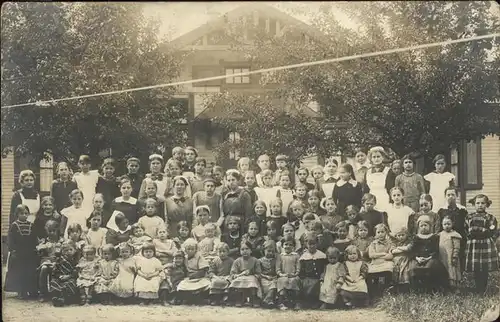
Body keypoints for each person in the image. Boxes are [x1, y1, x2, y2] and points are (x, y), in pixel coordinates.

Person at [464, 194, 498, 294]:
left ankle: (483, 288)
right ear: (474, 204)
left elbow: (491, 230)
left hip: (485, 244)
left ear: (486, 205)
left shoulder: (490, 218)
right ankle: (477, 288)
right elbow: (467, 230)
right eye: (477, 203)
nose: (480, 205)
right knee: (476, 267)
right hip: (474, 244)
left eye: (482, 203)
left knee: (484, 267)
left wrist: (480, 231)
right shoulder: (469, 217)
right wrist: (478, 231)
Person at [4, 204, 38, 299]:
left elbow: (34, 238)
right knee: (19, 272)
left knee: (29, 271)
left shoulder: (31, 225)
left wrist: (35, 247)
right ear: (17, 214)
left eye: (26, 213)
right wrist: (12, 250)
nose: (24, 215)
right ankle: (20, 291)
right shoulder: (14, 226)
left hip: (29, 252)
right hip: (18, 253)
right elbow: (10, 239)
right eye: (22, 213)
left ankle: (29, 290)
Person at [408, 215, 449, 293]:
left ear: (430, 226)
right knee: (412, 268)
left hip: (431, 258)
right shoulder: (416, 237)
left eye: (426, 225)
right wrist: (417, 258)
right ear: (418, 227)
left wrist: (428, 258)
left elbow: (436, 250)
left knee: (431, 267)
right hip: (418, 258)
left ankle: (431, 289)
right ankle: (417, 289)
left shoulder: (434, 237)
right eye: (421, 226)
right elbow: (413, 250)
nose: (423, 227)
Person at [437, 187, 468, 271]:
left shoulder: (462, 209)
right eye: (448, 195)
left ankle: (458, 278)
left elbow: (465, 225)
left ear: (456, 196)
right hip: (446, 238)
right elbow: (440, 226)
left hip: (459, 237)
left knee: (459, 257)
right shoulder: (442, 210)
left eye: (453, 194)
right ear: (445, 196)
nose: (450, 196)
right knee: (446, 258)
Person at [36, 220, 64, 302]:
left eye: (53, 231)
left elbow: (65, 252)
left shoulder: (61, 241)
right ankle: (42, 293)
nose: (51, 233)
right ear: (46, 231)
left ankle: (55, 292)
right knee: (44, 268)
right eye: (49, 231)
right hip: (47, 260)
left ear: (57, 230)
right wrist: (42, 248)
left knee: (56, 269)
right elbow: (40, 253)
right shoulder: (45, 241)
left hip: (58, 261)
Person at [176, 238, 211, 305]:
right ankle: (189, 298)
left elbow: (203, 269)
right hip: (190, 277)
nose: (190, 251)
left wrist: (195, 275)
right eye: (188, 249)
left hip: (200, 277)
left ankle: (199, 298)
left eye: (192, 249)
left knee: (206, 285)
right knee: (182, 286)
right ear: (185, 250)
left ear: (196, 249)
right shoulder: (185, 257)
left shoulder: (199, 256)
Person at [229, 241, 262, 308]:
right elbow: (233, 273)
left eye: (247, 249)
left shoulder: (255, 260)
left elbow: (258, 272)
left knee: (252, 281)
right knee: (238, 281)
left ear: (251, 250)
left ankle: (253, 299)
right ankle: (240, 298)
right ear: (240, 251)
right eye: (242, 249)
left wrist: (253, 274)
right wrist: (236, 275)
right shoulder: (237, 261)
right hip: (240, 276)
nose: (245, 251)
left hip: (251, 276)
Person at [298, 232, 327, 309]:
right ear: (306, 245)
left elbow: (324, 267)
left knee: (318, 286)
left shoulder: (322, 255)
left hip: (318, 277)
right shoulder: (304, 257)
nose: (312, 246)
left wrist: (323, 275)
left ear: (317, 244)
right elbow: (302, 270)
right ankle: (307, 303)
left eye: (313, 244)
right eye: (309, 244)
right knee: (306, 286)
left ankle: (316, 303)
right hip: (308, 278)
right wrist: (303, 278)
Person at [363, 146, 395, 213]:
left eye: (378, 156)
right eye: (374, 157)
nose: (376, 159)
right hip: (371, 198)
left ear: (382, 157)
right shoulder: (368, 172)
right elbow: (365, 189)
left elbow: (391, 188)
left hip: (384, 197)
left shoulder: (388, 171)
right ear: (371, 159)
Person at [49, 240, 80, 307]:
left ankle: (63, 298)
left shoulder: (76, 260)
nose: (68, 252)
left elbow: (77, 271)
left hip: (71, 278)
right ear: (62, 252)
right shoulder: (59, 260)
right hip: (61, 277)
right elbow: (55, 271)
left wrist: (69, 276)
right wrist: (59, 276)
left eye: (70, 249)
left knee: (70, 284)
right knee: (54, 282)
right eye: (65, 250)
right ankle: (56, 296)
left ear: (75, 250)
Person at [367, 223, 393, 299]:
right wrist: (383, 253)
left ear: (386, 233)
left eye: (382, 232)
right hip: (375, 263)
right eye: (378, 232)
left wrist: (377, 255)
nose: (380, 234)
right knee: (370, 272)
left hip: (385, 263)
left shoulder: (390, 243)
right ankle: (373, 293)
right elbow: (371, 255)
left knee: (388, 269)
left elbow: (390, 256)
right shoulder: (373, 244)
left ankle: (386, 290)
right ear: (375, 233)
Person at [438, 216, 462, 292]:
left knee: (452, 269)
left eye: (448, 224)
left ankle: (455, 287)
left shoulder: (455, 235)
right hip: (442, 256)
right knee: (444, 269)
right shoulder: (440, 234)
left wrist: (455, 256)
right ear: (442, 225)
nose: (446, 226)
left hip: (451, 256)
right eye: (444, 224)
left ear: (452, 224)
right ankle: (445, 286)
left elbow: (457, 247)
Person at [276, 236, 301, 310]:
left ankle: (296, 302)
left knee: (295, 281)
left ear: (293, 246)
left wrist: (295, 274)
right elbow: (278, 269)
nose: (288, 246)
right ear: (282, 246)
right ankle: (281, 303)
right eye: (286, 244)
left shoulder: (296, 255)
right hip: (283, 275)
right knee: (283, 281)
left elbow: (298, 267)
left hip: (293, 275)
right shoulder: (280, 256)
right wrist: (282, 274)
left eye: (290, 245)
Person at [390, 227, 412, 293]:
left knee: (405, 268)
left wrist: (399, 248)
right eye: (399, 235)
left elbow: (408, 248)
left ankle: (405, 285)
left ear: (406, 235)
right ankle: (395, 285)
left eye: (403, 235)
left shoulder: (408, 241)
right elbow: (393, 251)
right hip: (396, 259)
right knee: (395, 268)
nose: (401, 237)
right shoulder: (395, 242)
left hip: (405, 258)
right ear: (396, 236)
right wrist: (403, 249)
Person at [259, 240, 278, 308]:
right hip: (264, 277)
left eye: (272, 251)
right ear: (264, 250)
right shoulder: (260, 261)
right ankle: (268, 299)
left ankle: (267, 299)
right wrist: (266, 276)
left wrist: (275, 276)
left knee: (275, 283)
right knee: (264, 283)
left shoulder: (276, 260)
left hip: (274, 278)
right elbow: (258, 272)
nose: (270, 253)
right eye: (268, 251)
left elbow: (278, 270)